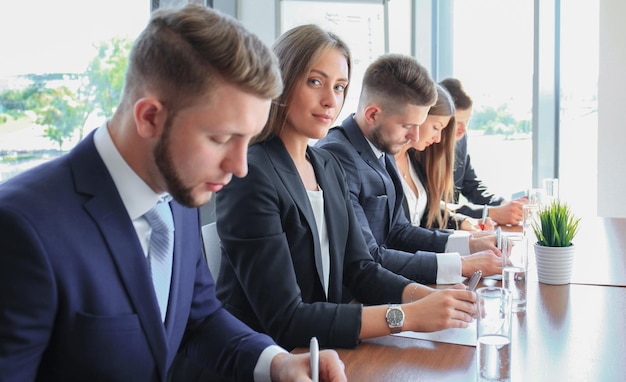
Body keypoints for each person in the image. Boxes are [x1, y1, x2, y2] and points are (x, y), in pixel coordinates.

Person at [0, 5, 346, 382]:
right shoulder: (21, 228)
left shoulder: (177, 192)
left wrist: (276, 363)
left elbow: (198, 317)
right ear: (150, 117)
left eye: (247, 140)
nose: (240, 166)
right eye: (221, 138)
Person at [215, 25, 477, 351]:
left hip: (321, 351)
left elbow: (361, 269)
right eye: (315, 82)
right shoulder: (252, 173)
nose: (330, 100)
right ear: (280, 80)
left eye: (339, 87)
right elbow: (286, 319)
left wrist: (430, 298)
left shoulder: (326, 167)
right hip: (264, 357)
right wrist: (406, 316)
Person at [316, 54, 501, 285]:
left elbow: (400, 231)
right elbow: (368, 257)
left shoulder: (382, 147)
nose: (414, 136)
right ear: (373, 114)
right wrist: (461, 265)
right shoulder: (338, 155)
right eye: (407, 126)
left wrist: (468, 244)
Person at [393, 84, 495, 232]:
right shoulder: (408, 155)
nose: (439, 138)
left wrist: (463, 223)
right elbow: (401, 233)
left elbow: (428, 211)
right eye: (436, 127)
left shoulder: (412, 158)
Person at [439, 77, 527, 226]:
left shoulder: (460, 139)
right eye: (457, 122)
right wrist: (491, 213)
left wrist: (503, 204)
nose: (464, 129)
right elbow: (431, 209)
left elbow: (472, 186)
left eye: (467, 120)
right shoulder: (421, 148)